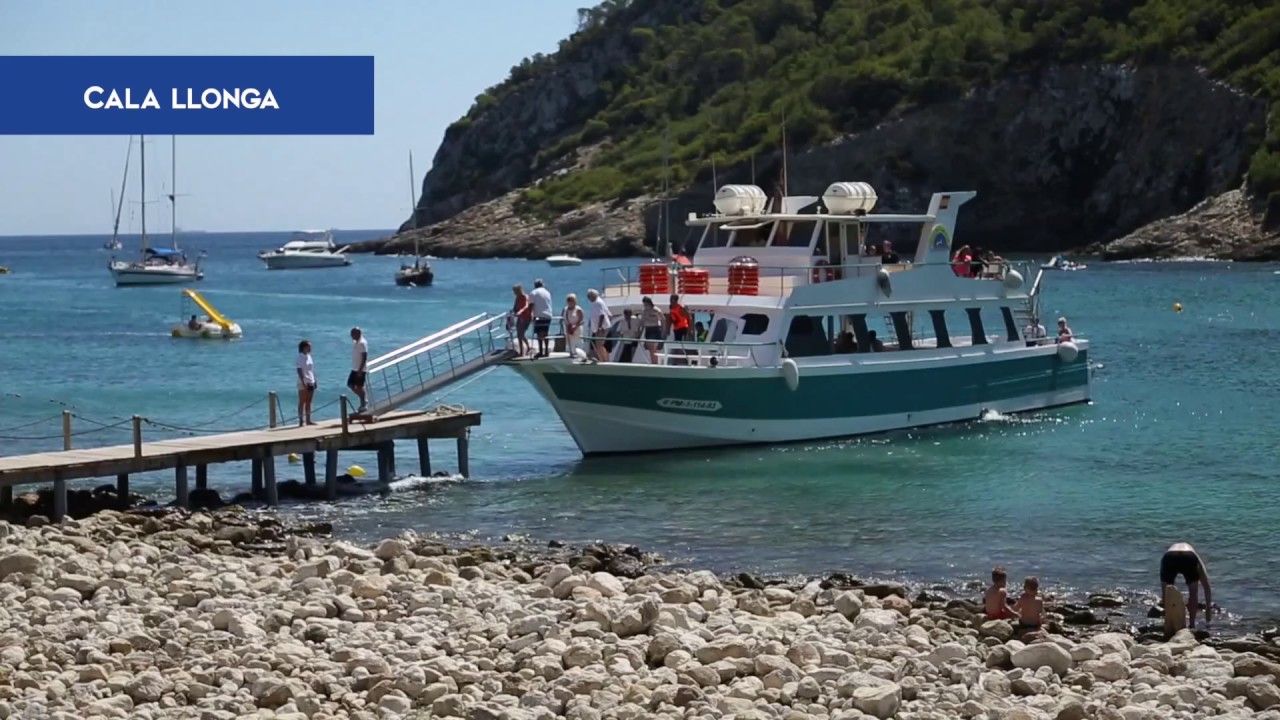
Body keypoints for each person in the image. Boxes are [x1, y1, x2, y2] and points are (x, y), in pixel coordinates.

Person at [1161, 542, 1212, 630]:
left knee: (1166, 591)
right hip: (1189, 557)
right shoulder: (1194, 555)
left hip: (1169, 556)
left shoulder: (1170, 550)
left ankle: (1169, 621)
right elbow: (1206, 587)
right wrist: (1208, 608)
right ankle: (1192, 625)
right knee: (1193, 593)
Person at [638, 296, 667, 364]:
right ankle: (653, 361)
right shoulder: (644, 311)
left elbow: (663, 319)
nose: (645, 305)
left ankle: (655, 362)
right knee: (650, 347)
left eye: (646, 304)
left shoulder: (656, 310)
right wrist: (639, 330)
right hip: (648, 329)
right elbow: (642, 322)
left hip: (655, 328)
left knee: (653, 346)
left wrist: (664, 330)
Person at [529, 279, 553, 358]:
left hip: (539, 315)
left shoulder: (534, 292)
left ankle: (540, 351)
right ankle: (546, 351)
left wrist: (530, 315)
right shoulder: (547, 292)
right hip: (548, 315)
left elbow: (531, 305)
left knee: (539, 334)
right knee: (545, 333)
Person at [586, 289, 612, 362]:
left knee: (599, 345)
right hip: (602, 327)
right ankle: (605, 359)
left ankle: (604, 360)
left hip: (601, 328)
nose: (588, 298)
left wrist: (600, 327)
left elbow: (602, 315)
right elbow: (610, 315)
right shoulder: (599, 302)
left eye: (589, 296)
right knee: (600, 345)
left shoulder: (597, 303)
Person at [295, 340, 316, 426]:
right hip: (303, 381)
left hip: (311, 380)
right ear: (304, 347)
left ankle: (308, 419)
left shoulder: (309, 356)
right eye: (308, 347)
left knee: (309, 401)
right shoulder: (300, 357)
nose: (310, 348)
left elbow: (311, 369)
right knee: (302, 401)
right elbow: (299, 370)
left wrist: (315, 380)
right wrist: (303, 382)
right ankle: (301, 420)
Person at [348, 327, 369, 413]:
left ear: (358, 334)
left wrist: (360, 370)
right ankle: (363, 399)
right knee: (350, 384)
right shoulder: (356, 342)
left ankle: (363, 403)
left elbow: (364, 357)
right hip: (354, 368)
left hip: (360, 369)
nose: (351, 336)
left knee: (359, 386)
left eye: (353, 334)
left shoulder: (362, 343)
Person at [510, 284, 531, 357]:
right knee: (520, 335)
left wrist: (521, 311)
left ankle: (523, 351)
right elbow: (515, 308)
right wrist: (512, 312)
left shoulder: (525, 296)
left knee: (520, 334)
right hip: (520, 318)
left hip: (526, 317)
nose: (514, 293)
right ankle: (527, 348)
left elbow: (526, 305)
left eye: (515, 291)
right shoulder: (517, 298)